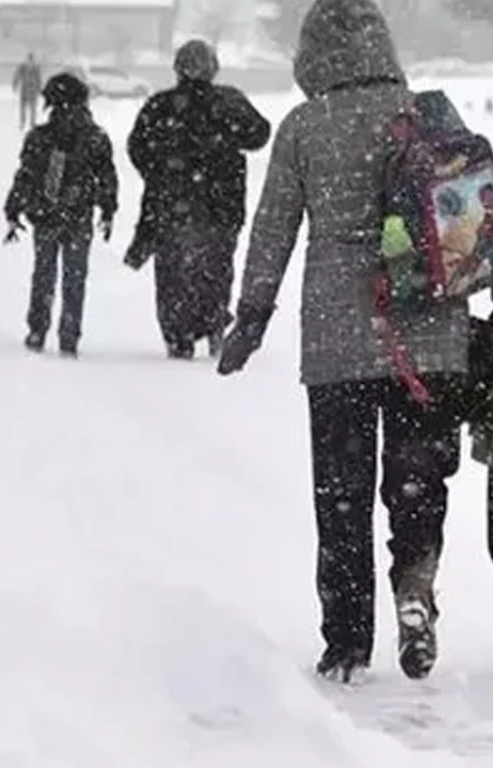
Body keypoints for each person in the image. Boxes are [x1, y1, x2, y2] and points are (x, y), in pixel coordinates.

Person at [217, 0, 468, 684]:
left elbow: (273, 230)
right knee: (417, 482)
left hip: (337, 336)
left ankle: (347, 641)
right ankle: (415, 589)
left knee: (343, 493)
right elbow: (469, 215)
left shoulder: (304, 126)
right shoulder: (425, 112)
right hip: (430, 333)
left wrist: (252, 315)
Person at [127, 39, 271, 360]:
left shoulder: (160, 106)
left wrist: (160, 172)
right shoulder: (228, 101)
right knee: (216, 269)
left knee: (172, 274)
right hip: (222, 205)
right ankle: (214, 322)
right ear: (212, 68)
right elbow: (259, 134)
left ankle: (179, 334)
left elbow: (137, 147)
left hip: (171, 206)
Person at [3, 71, 117, 357]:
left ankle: (37, 328)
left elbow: (25, 176)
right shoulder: (95, 138)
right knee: (74, 277)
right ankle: (69, 334)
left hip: (46, 214)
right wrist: (107, 208)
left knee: (44, 273)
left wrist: (14, 208)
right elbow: (107, 176)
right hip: (79, 216)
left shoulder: (40, 137)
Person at [12, 53, 43, 132]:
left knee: (33, 108)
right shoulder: (22, 67)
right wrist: (15, 85)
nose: (30, 61)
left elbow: (39, 79)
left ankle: (32, 123)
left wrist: (39, 89)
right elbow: (17, 76)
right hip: (25, 91)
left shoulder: (36, 68)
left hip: (33, 91)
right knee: (23, 108)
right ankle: (23, 122)